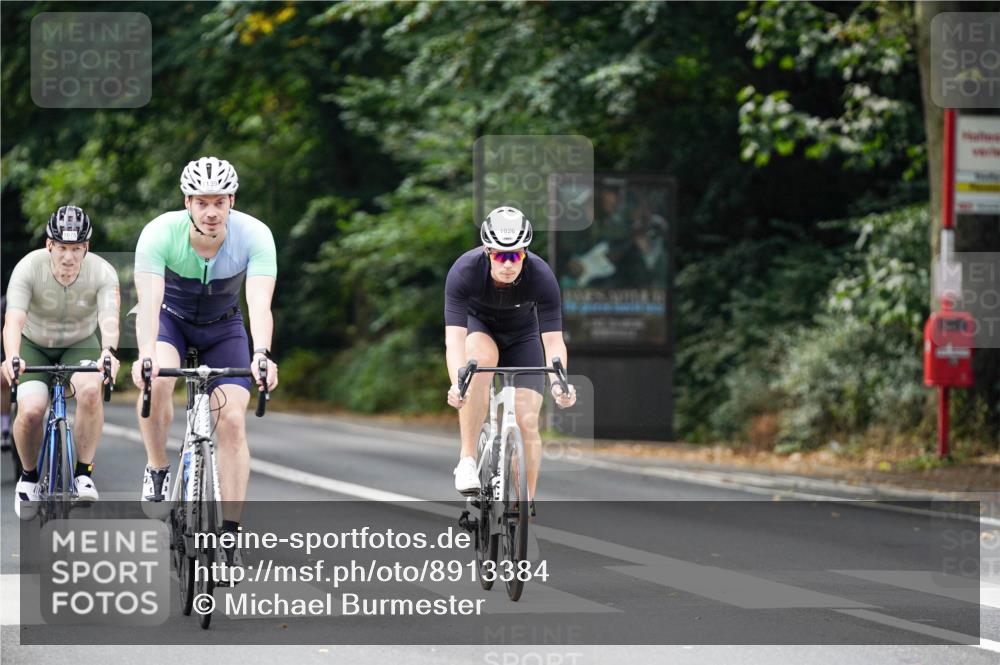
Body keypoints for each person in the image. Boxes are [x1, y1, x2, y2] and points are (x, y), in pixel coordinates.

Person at [130, 156, 278, 576]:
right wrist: (144, 355)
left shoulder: (255, 235)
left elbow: (260, 304)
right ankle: (158, 468)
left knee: (231, 422)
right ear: (187, 202)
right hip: (169, 321)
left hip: (223, 327)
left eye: (219, 201)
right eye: (202, 202)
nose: (211, 211)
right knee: (158, 380)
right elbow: (149, 304)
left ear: (232, 200)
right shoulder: (159, 232)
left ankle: (229, 537)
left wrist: (262, 354)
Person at [444, 206, 577, 513]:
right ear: (487, 252)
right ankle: (467, 459)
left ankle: (525, 505)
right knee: (480, 359)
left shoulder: (541, 275)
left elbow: (554, 341)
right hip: (480, 327)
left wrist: (560, 383)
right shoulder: (464, 271)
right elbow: (453, 340)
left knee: (527, 419)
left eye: (515, 256)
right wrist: (457, 383)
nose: (508, 264)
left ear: (525, 254)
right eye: (500, 256)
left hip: (522, 335)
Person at [1, 206, 120, 519]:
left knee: (91, 392)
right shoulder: (28, 268)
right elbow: (13, 320)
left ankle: (83, 472)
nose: (69, 257)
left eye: (76, 249)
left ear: (86, 248)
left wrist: (109, 352)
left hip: (78, 343)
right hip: (34, 344)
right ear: (49, 245)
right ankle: (28, 477)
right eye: (62, 248)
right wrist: (12, 356)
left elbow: (109, 318)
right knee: (30, 411)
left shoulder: (103, 272)